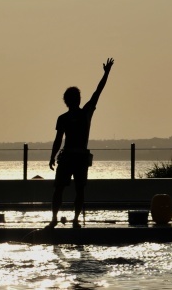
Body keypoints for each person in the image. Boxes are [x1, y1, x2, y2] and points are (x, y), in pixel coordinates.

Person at [47, 58, 114, 228]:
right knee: (73, 189)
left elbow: (57, 140)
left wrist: (52, 157)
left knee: (64, 189)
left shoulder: (76, 115)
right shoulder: (79, 114)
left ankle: (62, 219)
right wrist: (106, 73)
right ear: (75, 99)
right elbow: (97, 92)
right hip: (73, 157)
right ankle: (70, 220)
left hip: (72, 156)